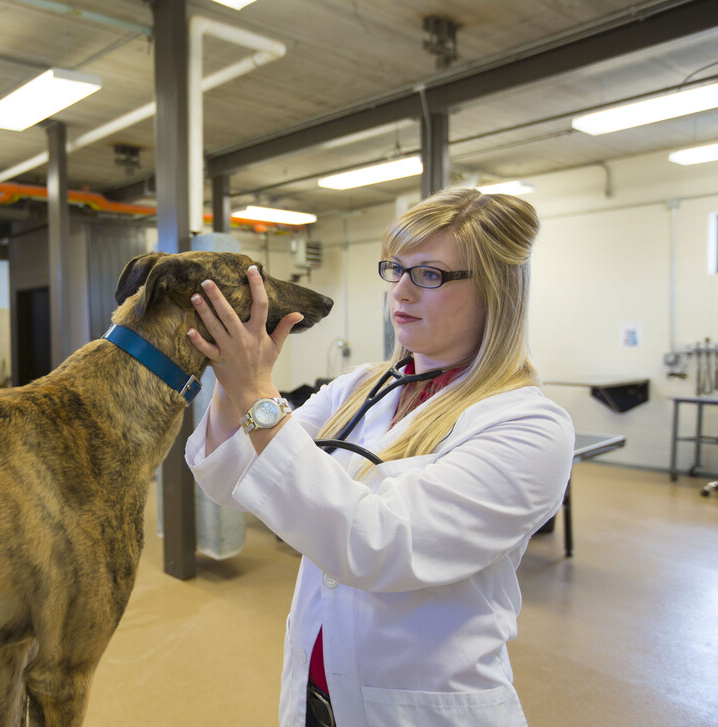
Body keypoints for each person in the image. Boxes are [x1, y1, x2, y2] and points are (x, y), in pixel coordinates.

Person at [184, 188, 574, 727]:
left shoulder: (528, 427)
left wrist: (257, 391)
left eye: (430, 274)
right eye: (396, 269)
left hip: (421, 705)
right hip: (316, 691)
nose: (402, 292)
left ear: (496, 291)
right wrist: (233, 382)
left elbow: (377, 545)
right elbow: (232, 482)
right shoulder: (359, 387)